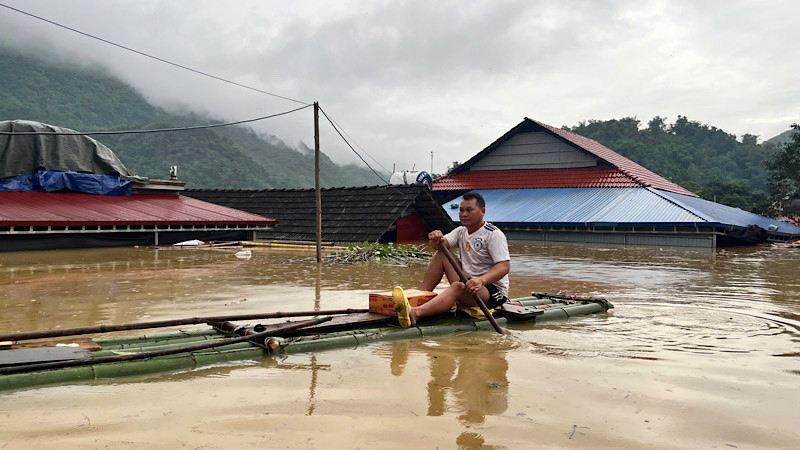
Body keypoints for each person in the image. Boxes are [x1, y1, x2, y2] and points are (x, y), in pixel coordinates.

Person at [393, 191, 510, 327]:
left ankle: (416, 313)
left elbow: (504, 267)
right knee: (442, 254)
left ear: (482, 211)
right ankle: (422, 297)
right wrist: (435, 238)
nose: (464, 214)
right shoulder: (460, 231)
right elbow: (438, 246)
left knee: (457, 287)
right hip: (467, 282)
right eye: (461, 210)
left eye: (469, 210)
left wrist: (480, 281)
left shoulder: (493, 234)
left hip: (490, 291)